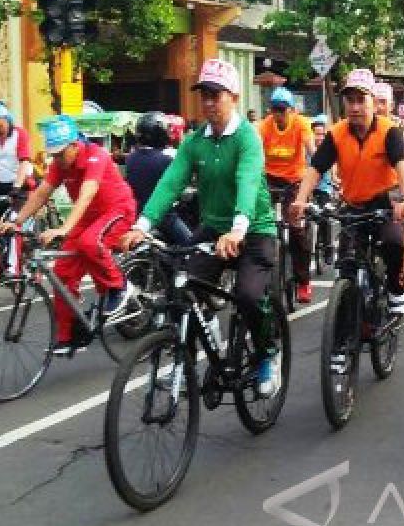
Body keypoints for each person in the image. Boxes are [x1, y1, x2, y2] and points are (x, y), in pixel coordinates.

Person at [120, 59, 283, 397]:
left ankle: (268, 354)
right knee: (182, 287)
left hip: (253, 231)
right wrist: (142, 225)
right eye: (204, 95)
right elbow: (170, 183)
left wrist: (238, 229)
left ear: (234, 96)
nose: (208, 102)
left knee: (250, 297)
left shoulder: (247, 139)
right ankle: (188, 357)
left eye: (216, 94)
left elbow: (248, 182)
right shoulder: (195, 142)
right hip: (213, 229)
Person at [289, 68, 404, 319]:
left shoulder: (389, 131)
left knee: (394, 241)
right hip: (353, 206)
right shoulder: (336, 133)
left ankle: (396, 290)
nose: (355, 107)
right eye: (350, 100)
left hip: (384, 203)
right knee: (345, 269)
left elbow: (402, 163)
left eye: (361, 100)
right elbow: (316, 168)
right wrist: (301, 200)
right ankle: (339, 350)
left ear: (372, 101)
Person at [12, 115, 136, 354]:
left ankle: (119, 287)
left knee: (91, 243)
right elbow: (41, 194)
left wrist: (64, 228)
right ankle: (68, 336)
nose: (57, 159)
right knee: (61, 273)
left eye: (60, 153)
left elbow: (87, 194)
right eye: (53, 155)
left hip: (117, 210)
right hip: (88, 217)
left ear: (74, 145)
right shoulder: (60, 165)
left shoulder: (95, 155)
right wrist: (16, 221)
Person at [257, 87, 316, 303]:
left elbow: (312, 152)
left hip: (295, 181)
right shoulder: (264, 126)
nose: (278, 115)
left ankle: (303, 282)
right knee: (260, 227)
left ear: (291, 110)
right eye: (274, 110)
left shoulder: (301, 124)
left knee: (297, 230)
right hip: (270, 181)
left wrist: (317, 172)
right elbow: (254, 154)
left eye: (282, 110)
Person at [375, 84, 404, 295]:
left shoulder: (402, 127)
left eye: (382, 102)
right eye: (374, 100)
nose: (378, 107)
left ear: (391, 105)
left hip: (395, 188)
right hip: (365, 190)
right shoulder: (357, 125)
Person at [124, 111, 191, 245]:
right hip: (163, 217)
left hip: (136, 214)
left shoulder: (131, 158)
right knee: (192, 246)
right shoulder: (165, 159)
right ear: (159, 133)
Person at [309, 114, 336, 265]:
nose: (319, 137)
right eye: (316, 134)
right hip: (307, 191)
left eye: (322, 134)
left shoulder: (330, 150)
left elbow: (334, 171)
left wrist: (337, 181)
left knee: (325, 216)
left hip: (324, 190)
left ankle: (328, 247)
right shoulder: (307, 149)